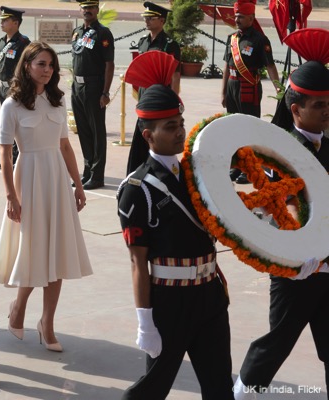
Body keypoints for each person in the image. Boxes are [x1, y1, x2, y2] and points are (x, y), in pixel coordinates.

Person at [117, 52, 233, 399]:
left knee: (219, 386)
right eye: (170, 127)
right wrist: (145, 320)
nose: (180, 131)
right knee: (152, 390)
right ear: (148, 135)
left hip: (210, 295)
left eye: (180, 122)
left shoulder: (197, 173)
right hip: (169, 302)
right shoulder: (137, 191)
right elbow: (138, 261)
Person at [233, 30, 329, 399]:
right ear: (295, 110)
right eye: (318, 104)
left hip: (327, 262)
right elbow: (289, 203)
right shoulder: (281, 149)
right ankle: (242, 394)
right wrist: (304, 248)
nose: (326, 110)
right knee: (278, 342)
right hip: (297, 266)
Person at [0, 42, 93, 352]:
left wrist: (78, 184)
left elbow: (65, 147)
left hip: (56, 180)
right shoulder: (12, 105)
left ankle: (47, 323)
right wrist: (11, 195)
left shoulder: (58, 101)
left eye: (50, 64)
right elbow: (6, 155)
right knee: (33, 251)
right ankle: (19, 306)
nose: (47, 69)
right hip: (30, 178)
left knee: (57, 253)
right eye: (40, 64)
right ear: (26, 66)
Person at [221, 0, 280, 183]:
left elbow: (270, 66)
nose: (237, 19)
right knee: (233, 128)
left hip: (249, 88)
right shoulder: (232, 38)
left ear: (251, 18)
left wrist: (278, 87)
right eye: (236, 16)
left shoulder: (260, 40)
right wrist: (223, 92)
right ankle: (236, 165)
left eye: (241, 16)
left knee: (249, 129)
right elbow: (226, 66)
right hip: (232, 86)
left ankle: (249, 169)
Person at [126, 1, 181, 175]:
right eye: (146, 18)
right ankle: (138, 169)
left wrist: (173, 100)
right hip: (145, 96)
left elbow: (175, 75)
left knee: (159, 137)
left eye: (151, 18)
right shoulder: (142, 42)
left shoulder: (170, 44)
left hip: (160, 97)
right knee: (142, 135)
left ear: (162, 21)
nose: (147, 21)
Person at [71, 0, 115, 190]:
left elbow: (109, 64)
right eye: (84, 7)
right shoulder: (77, 32)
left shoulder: (103, 33)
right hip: (77, 86)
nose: (87, 10)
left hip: (94, 86)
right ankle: (88, 171)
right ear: (80, 9)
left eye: (91, 8)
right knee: (83, 131)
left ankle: (97, 176)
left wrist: (105, 92)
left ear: (97, 10)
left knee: (96, 132)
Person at [0, 6, 30, 166]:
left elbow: (27, 67)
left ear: (15, 23)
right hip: (3, 88)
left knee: (17, 123)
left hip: (15, 88)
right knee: (6, 123)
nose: (1, 22)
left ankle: (17, 158)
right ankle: (8, 156)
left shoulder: (23, 43)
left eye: (5, 20)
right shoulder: (2, 41)